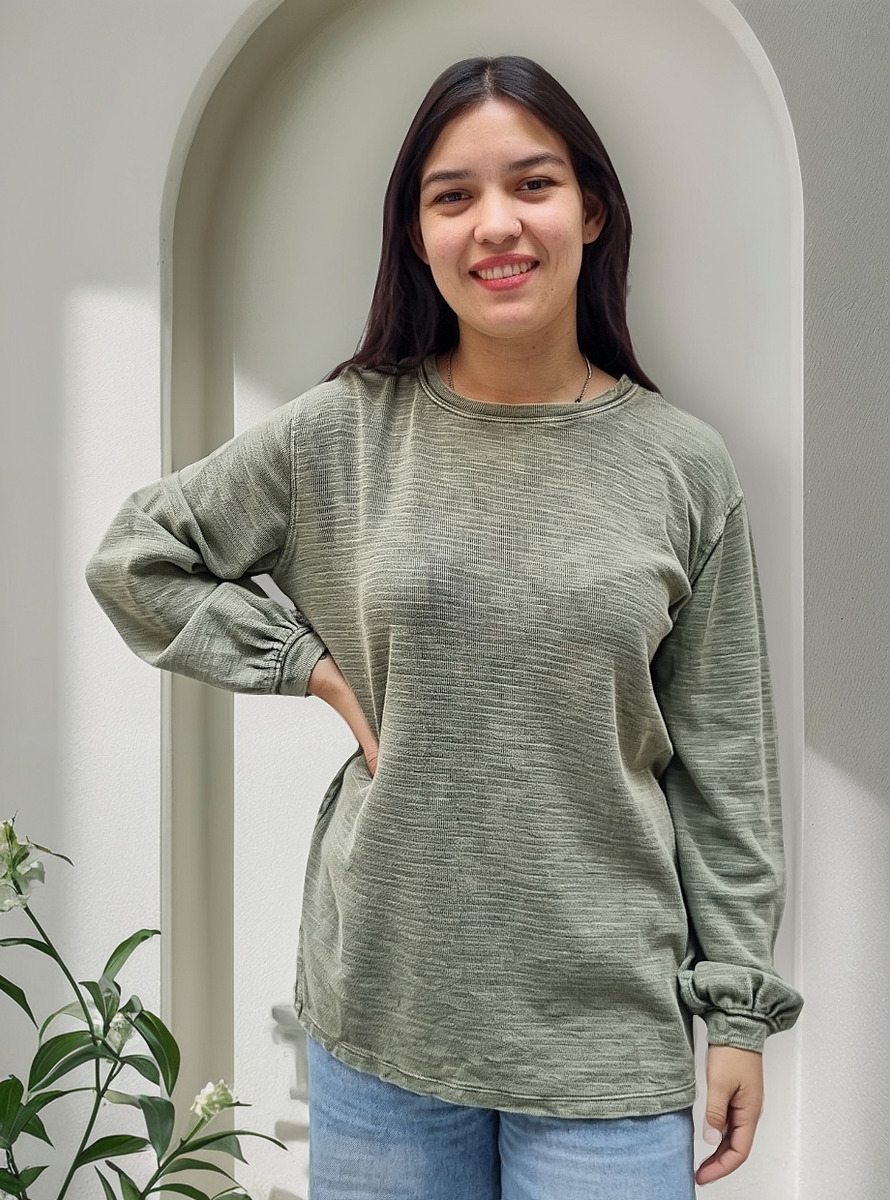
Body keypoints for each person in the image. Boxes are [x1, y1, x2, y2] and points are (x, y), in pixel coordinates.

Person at [86, 54, 803, 1200]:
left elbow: (724, 769)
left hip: (603, 1032)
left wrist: (736, 1015)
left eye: (532, 184)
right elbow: (137, 556)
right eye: (452, 196)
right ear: (416, 236)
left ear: (590, 209)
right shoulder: (340, 433)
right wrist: (306, 667)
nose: (495, 223)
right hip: (384, 1019)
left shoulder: (681, 467)